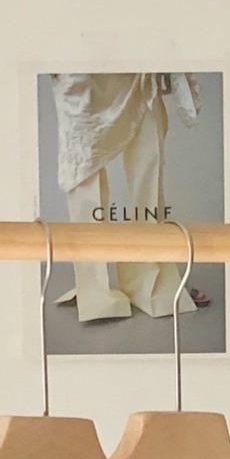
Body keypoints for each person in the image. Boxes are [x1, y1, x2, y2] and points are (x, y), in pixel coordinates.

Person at [51, 72, 208, 320]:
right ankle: (95, 291)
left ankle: (152, 280)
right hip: (84, 64)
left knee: (148, 153)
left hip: (135, 66)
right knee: (83, 164)